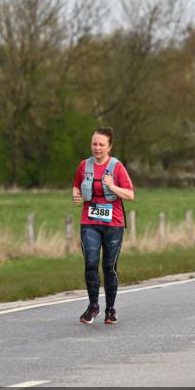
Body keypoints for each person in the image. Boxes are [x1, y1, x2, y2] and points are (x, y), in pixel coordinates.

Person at [72, 127, 135, 324]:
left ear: (109, 146)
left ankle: (110, 309)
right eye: (94, 144)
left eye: (101, 144)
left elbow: (130, 195)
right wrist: (75, 195)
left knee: (109, 267)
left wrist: (112, 186)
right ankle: (93, 306)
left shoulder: (117, 167)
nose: (97, 148)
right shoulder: (84, 165)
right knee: (90, 263)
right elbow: (76, 185)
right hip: (89, 222)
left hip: (113, 224)